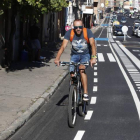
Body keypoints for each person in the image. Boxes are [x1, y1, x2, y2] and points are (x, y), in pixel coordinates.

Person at [54, 19, 96, 101]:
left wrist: (93, 58)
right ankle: (74, 89)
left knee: (81, 69)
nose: (78, 29)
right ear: (73, 27)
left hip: (85, 55)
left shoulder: (87, 32)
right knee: (72, 72)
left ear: (82, 26)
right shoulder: (70, 33)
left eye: (80, 27)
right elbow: (63, 46)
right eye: (76, 27)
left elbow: (93, 45)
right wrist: (57, 58)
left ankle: (86, 93)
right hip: (75, 55)